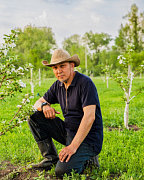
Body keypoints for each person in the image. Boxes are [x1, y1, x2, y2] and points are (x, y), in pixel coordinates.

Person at [28, 48, 103, 178]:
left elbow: (89, 117)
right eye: (55, 68)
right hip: (69, 132)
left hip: (88, 139)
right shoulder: (58, 85)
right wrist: (45, 105)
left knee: (62, 172)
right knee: (34, 116)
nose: (59, 71)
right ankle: (50, 159)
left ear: (71, 65)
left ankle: (88, 158)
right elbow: (37, 103)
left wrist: (73, 147)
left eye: (62, 66)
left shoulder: (85, 83)